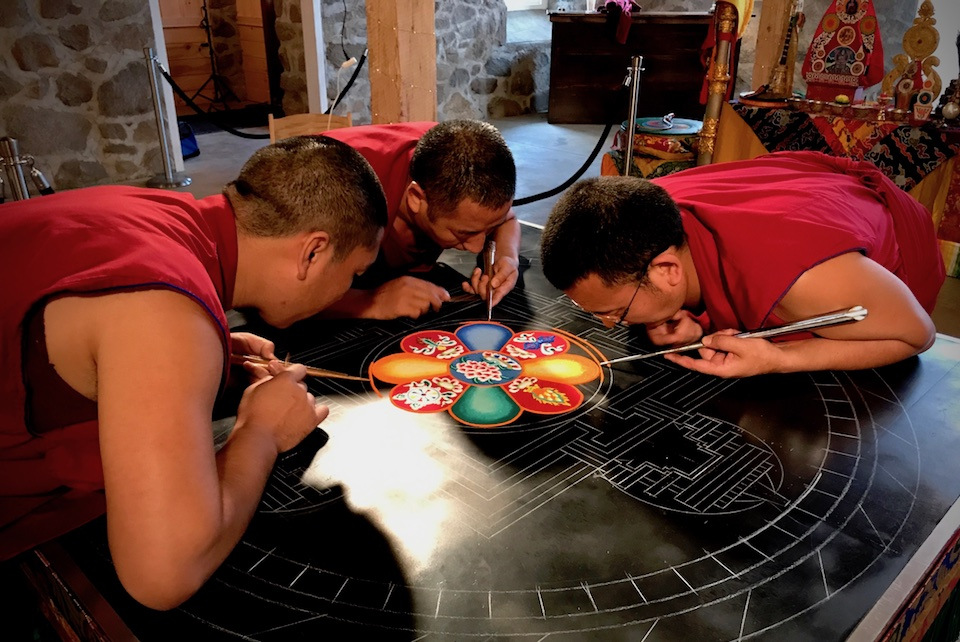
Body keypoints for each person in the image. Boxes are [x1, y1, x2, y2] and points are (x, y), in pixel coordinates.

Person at [0, 136, 387, 610]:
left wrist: (209, 353)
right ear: (312, 253)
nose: (350, 289)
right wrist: (261, 431)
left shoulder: (158, 209)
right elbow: (162, 574)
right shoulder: (167, 313)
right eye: (355, 273)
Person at [540, 151, 945, 378]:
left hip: (883, 254)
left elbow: (917, 335)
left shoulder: (797, 280)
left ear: (667, 271)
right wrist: (694, 317)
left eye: (615, 312)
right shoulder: (646, 211)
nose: (610, 325)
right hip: (796, 207)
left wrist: (781, 359)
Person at [321, 119, 521, 319]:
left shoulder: (451, 153)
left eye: (486, 230)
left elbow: (507, 221)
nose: (477, 247)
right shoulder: (344, 190)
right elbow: (292, 286)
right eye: (464, 233)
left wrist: (506, 258)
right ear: (416, 198)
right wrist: (371, 301)